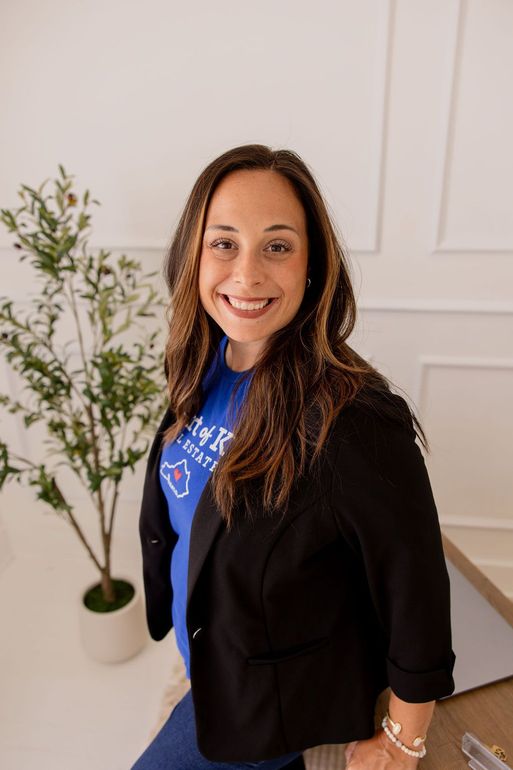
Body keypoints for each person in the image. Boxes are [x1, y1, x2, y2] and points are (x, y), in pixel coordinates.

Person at [131, 144, 456, 770]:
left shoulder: (351, 418)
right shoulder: (202, 362)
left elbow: (414, 582)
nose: (246, 275)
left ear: (312, 264)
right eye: (223, 243)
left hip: (264, 698)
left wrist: (403, 737)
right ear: (191, 256)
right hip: (211, 659)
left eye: (277, 246)